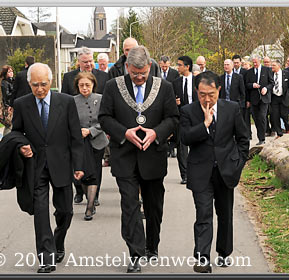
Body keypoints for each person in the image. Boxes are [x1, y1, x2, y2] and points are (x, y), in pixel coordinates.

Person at [98, 46, 179, 273]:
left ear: (150, 67)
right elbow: (104, 117)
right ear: (127, 68)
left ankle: (152, 246)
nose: (140, 77)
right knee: (130, 205)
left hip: (153, 156)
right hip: (124, 157)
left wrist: (156, 133)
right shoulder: (113, 87)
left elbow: (173, 118)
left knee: (154, 207)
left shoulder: (165, 88)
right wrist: (124, 132)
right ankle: (135, 253)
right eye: (135, 73)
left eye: (143, 72)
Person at [12, 63, 84, 273]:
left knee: (65, 212)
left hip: (61, 163)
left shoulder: (66, 102)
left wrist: (78, 165)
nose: (40, 89)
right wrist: (21, 145)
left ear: (51, 82)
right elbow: (16, 132)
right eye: (35, 85)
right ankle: (46, 257)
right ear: (29, 84)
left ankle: (58, 241)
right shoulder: (22, 104)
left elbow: (76, 137)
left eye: (43, 84)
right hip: (36, 166)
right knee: (41, 212)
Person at [179, 71, 249, 273]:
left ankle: (224, 252)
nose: (207, 99)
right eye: (202, 94)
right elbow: (184, 138)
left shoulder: (232, 109)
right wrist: (204, 124)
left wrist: (239, 163)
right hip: (201, 171)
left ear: (219, 90)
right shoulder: (188, 111)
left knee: (225, 213)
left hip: (227, 170)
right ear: (196, 92)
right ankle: (202, 258)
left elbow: (243, 139)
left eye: (211, 94)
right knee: (203, 214)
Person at [73, 72, 109, 220]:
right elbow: (68, 120)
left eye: (87, 85)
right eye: (81, 85)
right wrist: (78, 131)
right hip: (79, 142)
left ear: (93, 85)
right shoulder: (72, 101)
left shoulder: (101, 99)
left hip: (97, 141)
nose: (85, 88)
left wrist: (91, 130)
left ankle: (90, 205)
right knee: (81, 173)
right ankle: (89, 197)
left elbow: (105, 119)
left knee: (95, 171)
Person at [172, 56, 197, 185]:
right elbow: (171, 100)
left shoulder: (197, 80)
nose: (178, 67)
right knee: (181, 147)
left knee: (196, 145)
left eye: (180, 65)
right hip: (182, 117)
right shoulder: (176, 82)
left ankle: (196, 172)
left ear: (187, 67)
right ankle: (185, 174)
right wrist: (175, 103)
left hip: (196, 117)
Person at [245, 55, 274, 145]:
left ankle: (262, 138)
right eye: (253, 62)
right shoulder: (249, 72)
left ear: (260, 61)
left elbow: (272, 83)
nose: (255, 64)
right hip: (254, 99)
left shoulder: (267, 70)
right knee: (256, 118)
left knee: (262, 116)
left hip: (264, 98)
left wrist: (266, 88)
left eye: (256, 62)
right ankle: (260, 137)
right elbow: (246, 85)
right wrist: (252, 85)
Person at [270, 60, 289, 138]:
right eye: (271, 65)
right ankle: (279, 133)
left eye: (273, 65)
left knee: (284, 115)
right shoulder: (270, 74)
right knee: (275, 116)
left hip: (284, 97)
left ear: (278, 66)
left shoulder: (286, 74)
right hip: (274, 98)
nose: (272, 67)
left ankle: (287, 127)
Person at [0, 65, 15, 136]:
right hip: (8, 107)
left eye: (12, 71)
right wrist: (15, 91)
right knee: (9, 125)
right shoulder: (4, 83)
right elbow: (6, 96)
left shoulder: (12, 81)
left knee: (12, 125)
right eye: (9, 72)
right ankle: (5, 141)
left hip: (13, 105)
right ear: (5, 73)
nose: (11, 73)